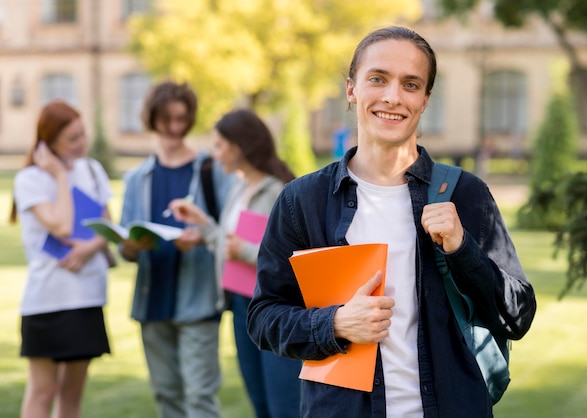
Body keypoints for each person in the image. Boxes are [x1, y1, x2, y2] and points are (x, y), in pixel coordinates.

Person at [247, 26, 537, 418]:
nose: (393, 97)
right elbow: (264, 317)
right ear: (351, 89)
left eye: (411, 84)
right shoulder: (303, 200)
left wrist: (462, 248)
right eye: (378, 79)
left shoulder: (465, 194)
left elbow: (517, 316)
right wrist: (333, 323)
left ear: (425, 99)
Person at [168, 108, 301, 418]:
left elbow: (294, 259)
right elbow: (229, 245)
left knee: (284, 406)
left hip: (277, 309)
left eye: (218, 145)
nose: (214, 155)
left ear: (238, 147)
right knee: (260, 403)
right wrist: (203, 225)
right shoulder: (238, 188)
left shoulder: (280, 191)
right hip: (242, 307)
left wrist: (244, 250)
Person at [118, 81, 234, 418]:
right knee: (166, 397)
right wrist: (130, 246)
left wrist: (201, 236)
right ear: (152, 119)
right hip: (152, 300)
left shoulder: (211, 170)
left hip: (198, 301)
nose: (173, 128)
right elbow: (126, 250)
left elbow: (231, 232)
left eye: (181, 119)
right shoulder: (137, 178)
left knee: (200, 398)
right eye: (165, 119)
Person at [10, 100, 112, 418]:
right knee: (42, 393)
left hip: (87, 295)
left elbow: (108, 226)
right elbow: (62, 225)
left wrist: (87, 248)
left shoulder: (93, 169)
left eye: (82, 135)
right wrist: (60, 176)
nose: (81, 143)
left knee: (72, 395)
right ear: (49, 141)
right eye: (72, 138)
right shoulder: (30, 179)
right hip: (47, 300)